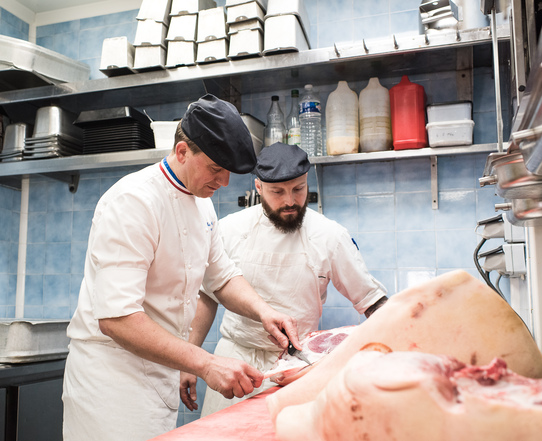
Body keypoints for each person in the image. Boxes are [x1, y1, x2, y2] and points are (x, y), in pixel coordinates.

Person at [62, 95, 302, 441]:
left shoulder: (203, 207)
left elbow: (222, 277)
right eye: (216, 169)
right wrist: (205, 363)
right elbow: (116, 318)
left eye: (229, 173)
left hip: (159, 375)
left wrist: (264, 312)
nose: (223, 184)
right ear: (181, 152)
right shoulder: (133, 202)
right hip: (110, 386)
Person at [179, 142, 389, 417]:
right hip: (236, 362)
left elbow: (373, 303)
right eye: (277, 192)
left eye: (298, 189)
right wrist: (191, 360)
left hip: (300, 367)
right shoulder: (229, 229)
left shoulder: (330, 236)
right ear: (258, 188)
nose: (290, 201)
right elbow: (207, 296)